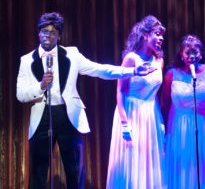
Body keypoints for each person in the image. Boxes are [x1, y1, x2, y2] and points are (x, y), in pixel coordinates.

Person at [16, 12, 155, 189]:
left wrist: (132, 71)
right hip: (42, 118)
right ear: (38, 33)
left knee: (74, 172)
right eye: (43, 31)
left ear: (59, 35)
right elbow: (20, 95)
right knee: (38, 173)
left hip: (69, 117)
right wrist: (41, 86)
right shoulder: (27, 60)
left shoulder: (72, 55)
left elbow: (100, 70)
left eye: (52, 32)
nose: (46, 35)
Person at [106, 15, 166, 189]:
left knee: (149, 161)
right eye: (157, 33)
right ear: (145, 35)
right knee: (132, 160)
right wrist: (124, 123)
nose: (161, 38)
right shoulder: (131, 58)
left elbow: (154, 94)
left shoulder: (159, 60)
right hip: (131, 113)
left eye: (162, 35)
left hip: (151, 115)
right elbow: (121, 91)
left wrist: (160, 121)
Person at [161, 35, 205, 189]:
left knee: (203, 169)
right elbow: (164, 104)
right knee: (183, 167)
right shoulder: (171, 74)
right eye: (187, 52)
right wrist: (162, 131)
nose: (192, 56)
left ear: (201, 54)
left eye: (195, 52)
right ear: (181, 55)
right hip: (178, 129)